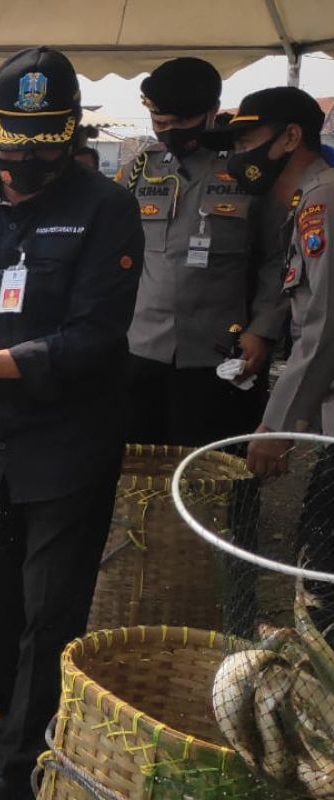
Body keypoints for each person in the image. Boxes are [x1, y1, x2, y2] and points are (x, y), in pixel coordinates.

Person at [0, 48, 144, 799]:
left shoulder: (105, 208)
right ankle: (13, 724)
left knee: (51, 609)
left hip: (67, 445)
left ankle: (23, 769)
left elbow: (92, 341)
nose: (32, 157)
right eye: (18, 142)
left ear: (69, 133)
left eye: (49, 141)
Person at [210, 88, 334, 633]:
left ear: (290, 137)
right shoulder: (302, 203)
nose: (239, 155)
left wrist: (277, 425)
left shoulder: (322, 202)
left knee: (321, 574)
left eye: (248, 140)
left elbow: (325, 330)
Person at [118, 57, 288, 447]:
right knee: (138, 475)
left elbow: (278, 259)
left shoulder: (247, 174)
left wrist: (262, 331)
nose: (169, 133)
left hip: (219, 354)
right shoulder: (137, 171)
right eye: (161, 124)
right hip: (141, 350)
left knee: (214, 472)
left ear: (211, 112)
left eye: (181, 123)